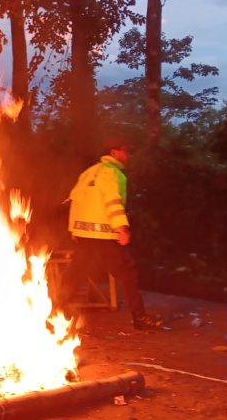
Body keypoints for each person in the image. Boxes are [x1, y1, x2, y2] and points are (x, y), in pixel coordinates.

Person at [60, 137, 162, 331]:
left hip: (85, 234)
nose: (128, 155)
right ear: (114, 153)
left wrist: (73, 229)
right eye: (125, 151)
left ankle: (55, 310)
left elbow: (76, 199)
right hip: (105, 235)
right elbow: (113, 201)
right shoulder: (112, 173)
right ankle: (140, 318)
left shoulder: (89, 172)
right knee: (127, 273)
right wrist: (122, 228)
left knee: (75, 273)